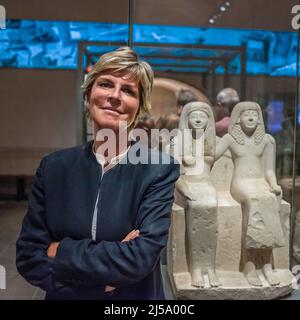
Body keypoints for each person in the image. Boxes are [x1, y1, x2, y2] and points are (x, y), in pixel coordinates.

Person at [16, 47, 180, 300]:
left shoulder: (158, 169)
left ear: (139, 107)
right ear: (89, 93)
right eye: (105, 84)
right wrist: (95, 285)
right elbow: (28, 257)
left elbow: (139, 258)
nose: (114, 96)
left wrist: (60, 250)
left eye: (128, 91)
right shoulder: (54, 168)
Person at [215, 101, 285, 287]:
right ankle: (250, 265)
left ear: (260, 118)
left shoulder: (267, 140)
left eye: (254, 114)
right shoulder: (230, 138)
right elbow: (211, 155)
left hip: (260, 182)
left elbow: (269, 171)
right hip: (240, 184)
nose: (251, 117)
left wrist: (274, 185)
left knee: (269, 199)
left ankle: (267, 264)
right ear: (237, 119)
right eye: (246, 114)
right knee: (255, 201)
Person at [174, 102, 220, 288]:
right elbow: (176, 176)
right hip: (186, 185)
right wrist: (186, 191)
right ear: (186, 119)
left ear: (209, 119)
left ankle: (210, 267)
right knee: (199, 205)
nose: (199, 119)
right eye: (194, 116)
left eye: (203, 116)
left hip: (206, 184)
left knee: (209, 204)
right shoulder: (177, 142)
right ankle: (195, 268)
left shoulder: (213, 141)